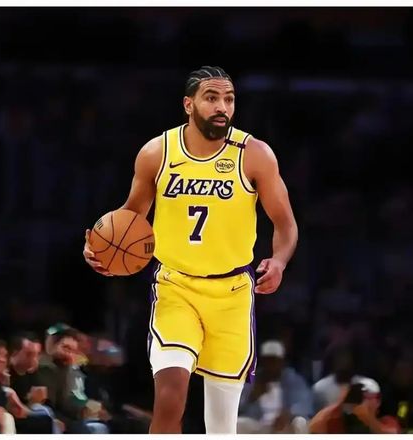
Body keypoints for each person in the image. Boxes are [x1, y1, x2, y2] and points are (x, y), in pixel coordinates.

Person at [83, 66, 298, 434]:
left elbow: (286, 224)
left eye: (229, 99)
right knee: (170, 398)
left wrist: (278, 261)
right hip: (176, 288)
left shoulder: (255, 154)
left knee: (221, 427)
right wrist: (102, 248)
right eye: (211, 98)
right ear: (188, 104)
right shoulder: (157, 152)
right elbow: (131, 217)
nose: (222, 107)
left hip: (231, 295)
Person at [237, 340, 312, 433]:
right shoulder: (252, 379)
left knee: (300, 422)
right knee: (239, 423)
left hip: (285, 426)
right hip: (259, 425)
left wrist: (289, 414)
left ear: (282, 362)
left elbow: (304, 404)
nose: (270, 365)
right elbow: (237, 408)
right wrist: (252, 397)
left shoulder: (293, 379)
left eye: (274, 361)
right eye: (267, 361)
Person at [309, 378, 399, 434]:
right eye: (354, 397)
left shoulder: (388, 422)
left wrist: (368, 418)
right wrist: (339, 406)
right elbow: (314, 428)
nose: (358, 402)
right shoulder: (334, 421)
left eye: (364, 397)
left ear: (378, 400)